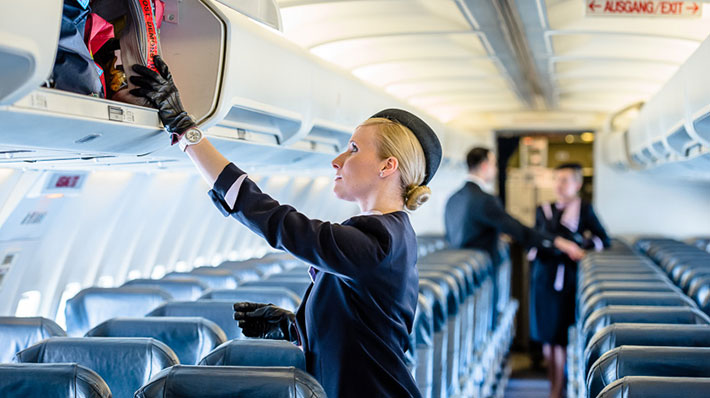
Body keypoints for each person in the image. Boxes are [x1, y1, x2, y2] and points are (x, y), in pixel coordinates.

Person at [129, 56, 442, 398]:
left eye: (353, 149)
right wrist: (290, 326)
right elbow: (362, 329)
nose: (337, 161)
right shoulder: (389, 235)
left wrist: (186, 131)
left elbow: (277, 221)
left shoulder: (379, 241)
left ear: (388, 166)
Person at [529, 163, 609, 398]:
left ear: (578, 184)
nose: (560, 185)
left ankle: (558, 389)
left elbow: (603, 239)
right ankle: (553, 386)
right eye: (557, 179)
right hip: (544, 278)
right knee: (546, 335)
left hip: (568, 280)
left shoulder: (584, 209)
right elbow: (536, 239)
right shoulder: (543, 209)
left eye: (565, 180)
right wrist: (561, 245)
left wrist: (580, 243)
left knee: (561, 336)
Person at [444, 147, 585, 267]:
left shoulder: (453, 199)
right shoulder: (484, 200)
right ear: (485, 166)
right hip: (479, 270)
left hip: (456, 268)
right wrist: (558, 242)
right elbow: (519, 230)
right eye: (494, 164)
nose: (496, 169)